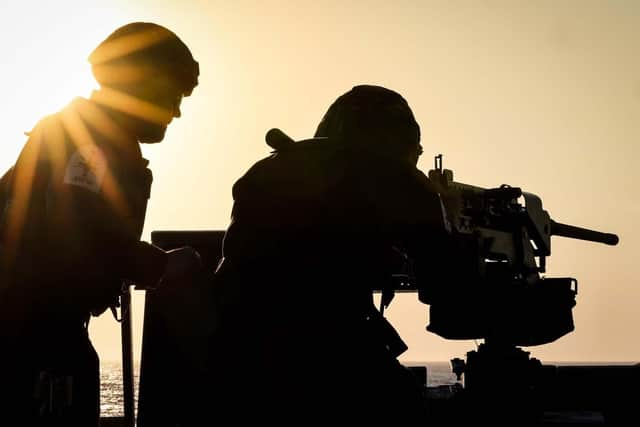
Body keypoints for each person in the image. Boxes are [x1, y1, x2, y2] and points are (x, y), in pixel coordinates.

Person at [211, 85, 453, 425]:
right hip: (321, 354)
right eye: (417, 148)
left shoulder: (269, 169)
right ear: (396, 141)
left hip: (232, 354)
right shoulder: (394, 177)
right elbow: (447, 283)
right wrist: (444, 218)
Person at [0, 22, 201, 425]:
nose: (177, 111)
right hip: (36, 340)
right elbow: (74, 234)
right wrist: (163, 266)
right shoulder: (88, 143)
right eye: (173, 94)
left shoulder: (86, 136)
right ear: (140, 82)